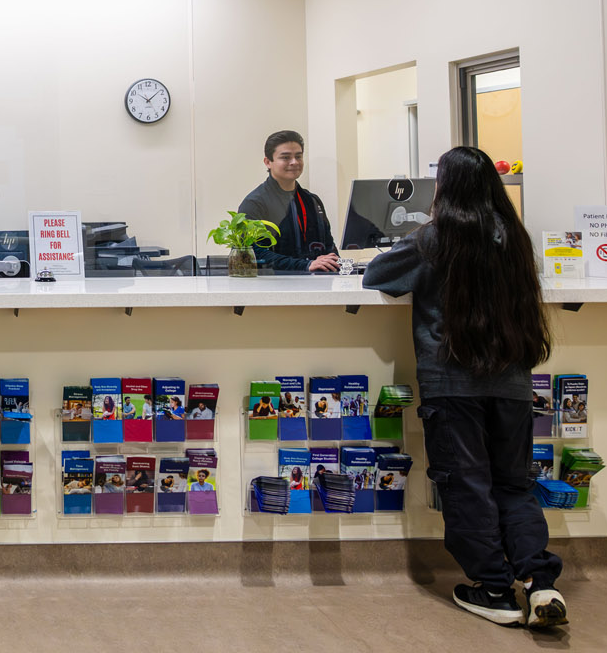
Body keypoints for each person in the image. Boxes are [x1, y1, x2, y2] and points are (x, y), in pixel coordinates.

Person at [364, 146, 564, 630]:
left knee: (468, 486)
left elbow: (377, 276)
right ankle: (540, 583)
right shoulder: (513, 238)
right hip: (512, 381)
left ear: (445, 188)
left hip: (452, 384)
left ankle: (494, 589)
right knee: (513, 484)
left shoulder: (435, 237)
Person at [239, 130, 340, 273]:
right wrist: (305, 265)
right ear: (268, 162)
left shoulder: (312, 200)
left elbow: (329, 247)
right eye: (285, 157)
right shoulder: (255, 203)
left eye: (298, 156)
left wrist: (334, 262)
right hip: (274, 287)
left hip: (318, 285)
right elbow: (254, 253)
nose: (294, 162)